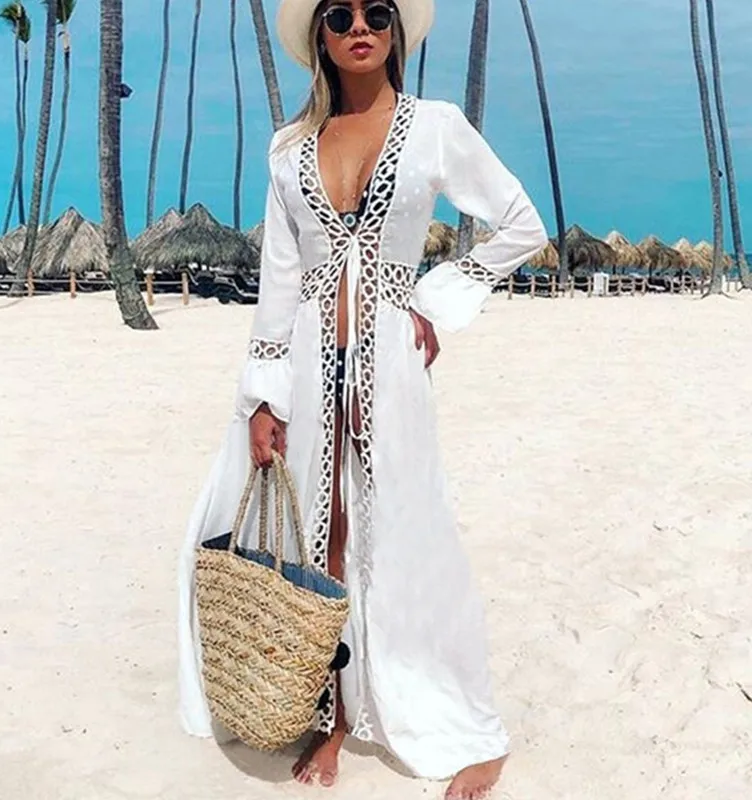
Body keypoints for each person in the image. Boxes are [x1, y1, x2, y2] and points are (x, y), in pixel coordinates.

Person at [177, 0, 547, 797]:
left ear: (395, 31)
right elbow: (280, 280)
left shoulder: (435, 126)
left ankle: (465, 723)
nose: (360, 27)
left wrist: (436, 300)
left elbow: (521, 224)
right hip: (306, 363)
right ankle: (333, 715)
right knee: (322, 536)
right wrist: (264, 398)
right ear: (320, 33)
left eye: (377, 12)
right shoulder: (289, 149)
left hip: (391, 366)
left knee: (410, 525)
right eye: (340, 15)